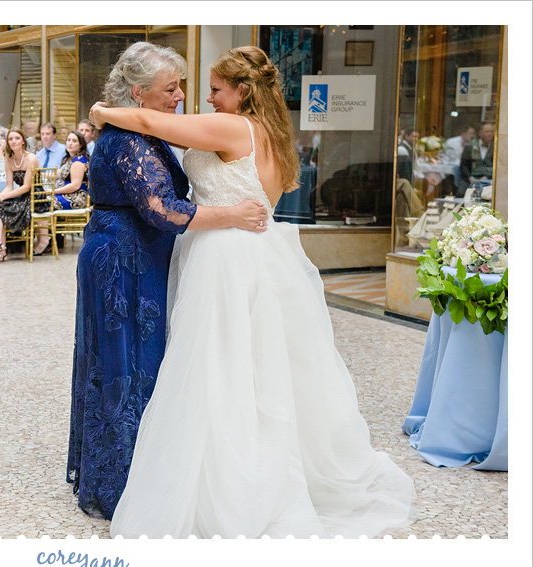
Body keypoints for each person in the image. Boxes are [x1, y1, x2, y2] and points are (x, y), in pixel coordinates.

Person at [90, 45, 416, 538]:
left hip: (224, 257)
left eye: (216, 90)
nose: (207, 98)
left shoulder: (234, 127)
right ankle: (261, 461)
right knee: (259, 370)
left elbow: (152, 125)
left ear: (242, 93)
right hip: (262, 255)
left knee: (215, 368)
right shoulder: (277, 138)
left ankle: (228, 482)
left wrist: (100, 112)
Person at [65, 42, 271, 521]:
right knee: (126, 367)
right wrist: (233, 214)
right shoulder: (130, 139)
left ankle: (134, 471)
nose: (181, 95)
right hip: (122, 260)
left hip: (134, 254)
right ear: (139, 93)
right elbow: (163, 210)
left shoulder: (138, 129)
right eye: (171, 87)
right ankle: (119, 484)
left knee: (137, 364)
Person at [0, 128, 41, 263]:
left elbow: (27, 186)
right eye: (10, 139)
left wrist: (5, 197)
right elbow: (9, 186)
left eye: (17, 138)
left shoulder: (31, 158)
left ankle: (0, 249)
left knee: (1, 204)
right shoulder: (9, 160)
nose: (13, 141)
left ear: (23, 141)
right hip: (21, 196)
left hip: (35, 197)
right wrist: (1, 196)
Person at [52, 130, 90, 210]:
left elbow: (75, 186)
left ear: (80, 145)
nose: (70, 143)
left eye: (74, 141)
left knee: (44, 202)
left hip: (76, 197)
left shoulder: (79, 161)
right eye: (68, 140)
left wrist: (53, 191)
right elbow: (56, 174)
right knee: (40, 199)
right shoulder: (69, 159)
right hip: (66, 194)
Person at [459, 122, 495, 196]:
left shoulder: (496, 147)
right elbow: (463, 165)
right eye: (487, 131)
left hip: (489, 179)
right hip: (471, 178)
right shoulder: (470, 145)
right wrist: (470, 178)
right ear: (480, 133)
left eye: (492, 131)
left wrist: (487, 176)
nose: (490, 134)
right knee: (461, 193)